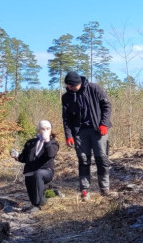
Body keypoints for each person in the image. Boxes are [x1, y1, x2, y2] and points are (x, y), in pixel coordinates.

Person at [61, 71, 112, 199]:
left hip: (98, 129)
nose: (70, 88)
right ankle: (84, 190)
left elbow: (107, 106)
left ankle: (105, 189)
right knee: (83, 160)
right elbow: (66, 118)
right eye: (68, 86)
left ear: (78, 83)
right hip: (79, 132)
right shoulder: (66, 97)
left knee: (102, 159)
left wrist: (104, 124)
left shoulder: (95, 89)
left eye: (72, 86)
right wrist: (68, 135)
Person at [10, 120, 59, 210]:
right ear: (39, 130)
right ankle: (49, 196)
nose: (45, 131)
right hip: (30, 172)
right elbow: (24, 158)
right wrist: (16, 156)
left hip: (46, 171)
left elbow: (50, 154)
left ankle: (37, 205)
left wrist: (47, 140)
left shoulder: (53, 143)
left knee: (38, 174)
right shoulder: (30, 143)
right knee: (34, 199)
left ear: (51, 130)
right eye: (43, 129)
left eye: (47, 129)